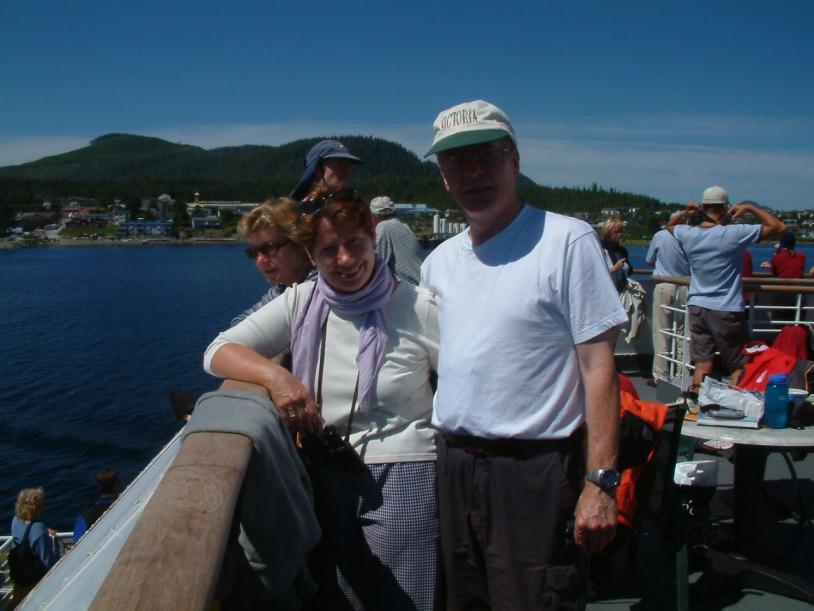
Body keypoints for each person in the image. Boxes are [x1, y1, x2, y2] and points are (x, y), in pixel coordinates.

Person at [421, 99, 627, 610]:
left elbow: (599, 367)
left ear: (514, 161)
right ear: (443, 176)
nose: (472, 172)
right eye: (456, 161)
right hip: (453, 466)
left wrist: (600, 483)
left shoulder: (567, 241)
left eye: (485, 156)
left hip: (535, 473)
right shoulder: (438, 263)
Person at [204, 189, 440, 610]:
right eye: (329, 249)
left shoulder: (418, 307)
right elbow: (217, 352)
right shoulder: (302, 302)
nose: (345, 259)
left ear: (373, 237)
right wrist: (278, 377)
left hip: (404, 469)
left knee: (404, 599)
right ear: (311, 256)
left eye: (354, 243)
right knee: (346, 596)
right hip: (328, 468)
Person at [667, 185, 786, 392]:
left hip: (697, 306)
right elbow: (779, 227)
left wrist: (687, 213)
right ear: (725, 207)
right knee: (738, 364)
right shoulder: (734, 233)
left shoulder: (688, 234)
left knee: (702, 362)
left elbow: (669, 226)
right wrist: (749, 207)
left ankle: (695, 402)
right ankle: (735, 402)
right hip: (726, 307)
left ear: (703, 206)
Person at [231, 198, 318, 327]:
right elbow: (239, 324)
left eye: (269, 248)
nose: (260, 260)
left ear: (300, 244)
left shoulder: (320, 286)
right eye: (253, 252)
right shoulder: (280, 290)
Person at [646, 214, 690, 382]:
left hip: (665, 284)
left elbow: (649, 260)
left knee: (661, 330)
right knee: (682, 332)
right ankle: (681, 372)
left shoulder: (660, 235)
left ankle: (660, 374)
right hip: (685, 286)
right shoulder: (690, 237)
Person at [10, 487, 58, 606]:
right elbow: (47, 562)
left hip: (19, 578)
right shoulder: (38, 528)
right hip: (34, 581)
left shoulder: (15, 520)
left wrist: (44, 531)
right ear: (35, 508)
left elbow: (25, 533)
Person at [369, 195, 424, 285]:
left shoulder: (383, 226)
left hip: (410, 288)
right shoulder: (403, 226)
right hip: (421, 284)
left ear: (374, 216)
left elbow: (375, 265)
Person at [289, 140, 363, 201]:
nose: (347, 172)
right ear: (317, 170)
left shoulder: (354, 208)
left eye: (348, 167)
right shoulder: (298, 211)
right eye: (339, 166)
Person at [73, 468, 121, 541]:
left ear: (100, 486)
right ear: (116, 486)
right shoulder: (123, 503)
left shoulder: (87, 514)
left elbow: (77, 540)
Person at [601, 217, 632, 292]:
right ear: (608, 232)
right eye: (616, 232)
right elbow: (594, 274)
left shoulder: (622, 251)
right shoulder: (599, 249)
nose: (620, 234)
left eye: (621, 232)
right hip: (605, 291)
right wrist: (614, 268)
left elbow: (629, 270)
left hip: (622, 292)